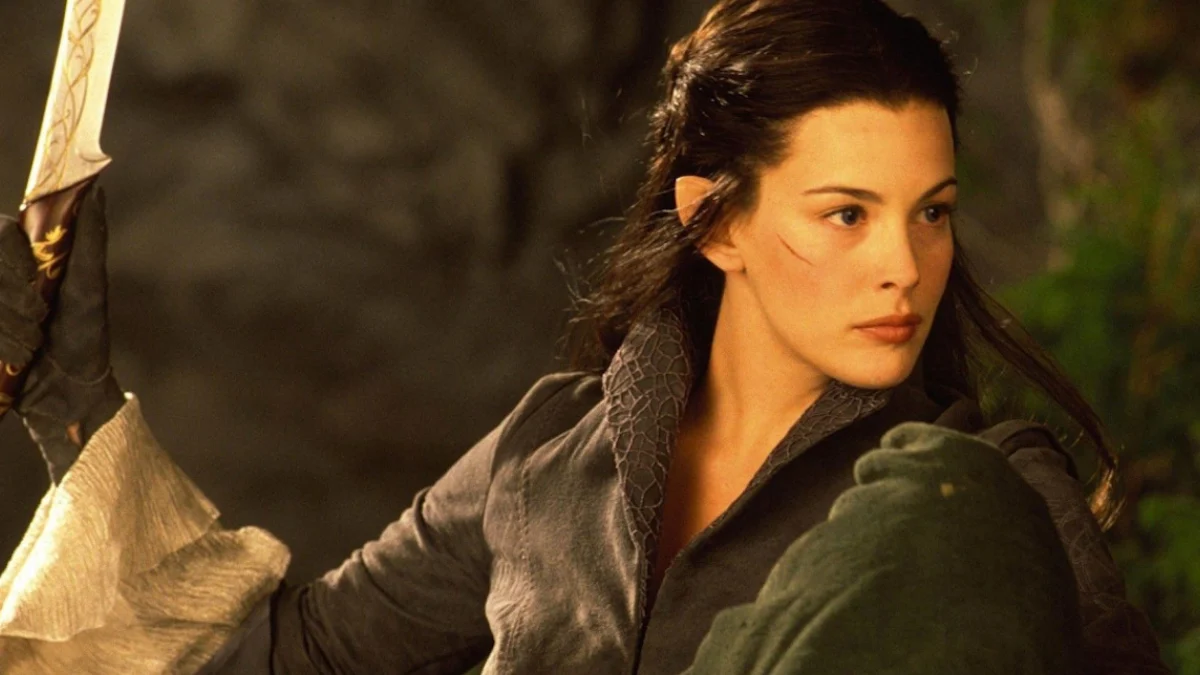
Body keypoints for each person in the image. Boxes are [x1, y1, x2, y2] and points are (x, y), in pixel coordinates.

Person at [0, 0, 1171, 673]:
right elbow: (287, 659)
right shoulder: (550, 456)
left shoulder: (978, 508)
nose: (904, 265)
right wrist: (72, 403)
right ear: (714, 222)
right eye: (846, 214)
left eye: (932, 212)